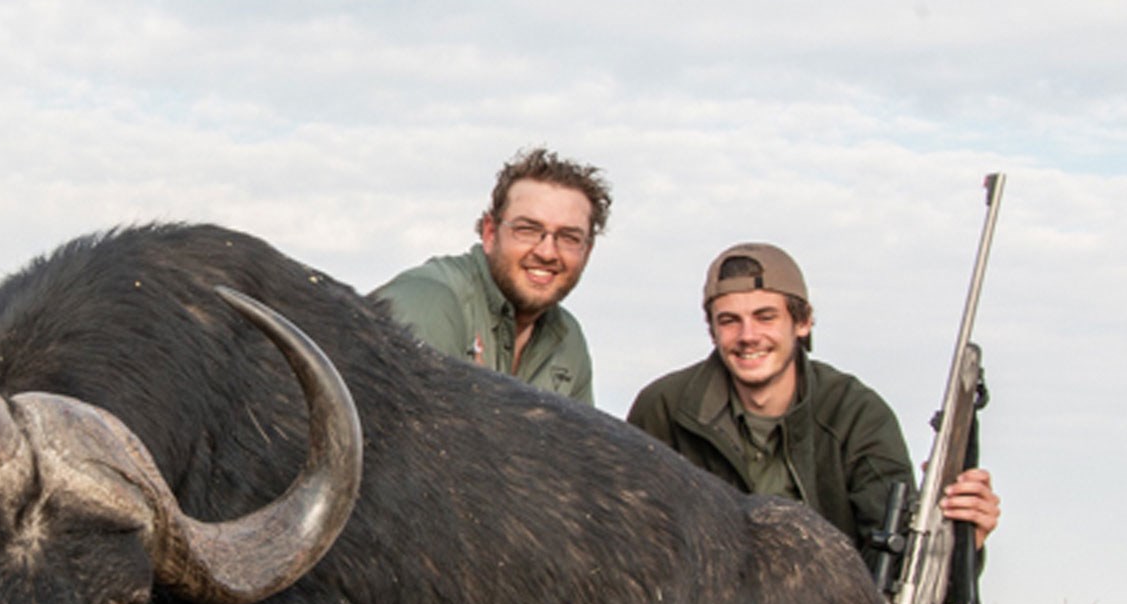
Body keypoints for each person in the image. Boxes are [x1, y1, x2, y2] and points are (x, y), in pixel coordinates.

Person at [626, 242, 1000, 563]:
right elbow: (630, 542)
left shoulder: (857, 413)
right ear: (712, 330)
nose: (748, 336)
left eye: (765, 317)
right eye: (729, 321)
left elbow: (899, 567)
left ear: (802, 322)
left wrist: (965, 542)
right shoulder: (664, 408)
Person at [372, 148, 612, 404]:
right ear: (490, 232)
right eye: (527, 230)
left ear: (587, 250)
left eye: (569, 238)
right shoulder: (428, 301)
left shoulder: (568, 340)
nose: (547, 252)